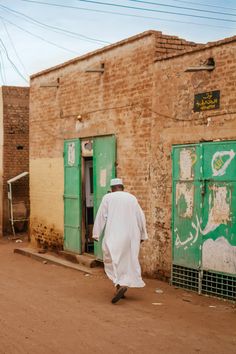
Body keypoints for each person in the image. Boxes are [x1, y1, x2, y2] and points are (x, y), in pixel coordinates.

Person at [92, 178, 148, 304]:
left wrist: (96, 234)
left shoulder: (108, 198)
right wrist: (143, 235)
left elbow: (101, 216)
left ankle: (119, 284)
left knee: (110, 259)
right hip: (131, 235)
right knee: (128, 260)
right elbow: (140, 216)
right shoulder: (132, 198)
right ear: (122, 187)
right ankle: (121, 285)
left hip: (114, 234)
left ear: (112, 188)